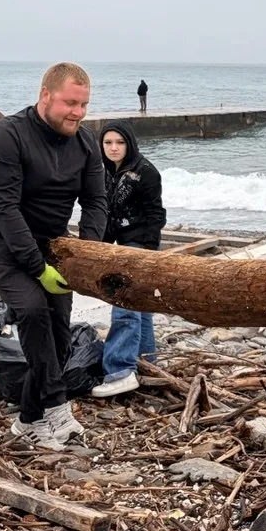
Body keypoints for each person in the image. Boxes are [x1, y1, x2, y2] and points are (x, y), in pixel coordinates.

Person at [0, 63, 107, 451]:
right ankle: (56, 409)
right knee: (33, 311)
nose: (78, 113)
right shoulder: (5, 137)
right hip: (0, 241)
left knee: (60, 336)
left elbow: (96, 201)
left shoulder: (85, 143)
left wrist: (86, 254)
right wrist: (37, 267)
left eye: (84, 105)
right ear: (45, 94)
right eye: (70, 103)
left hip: (54, 243)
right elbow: (3, 208)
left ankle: (27, 421)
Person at [89, 121, 166, 398]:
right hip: (115, 241)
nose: (113, 148)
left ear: (129, 144)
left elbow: (156, 214)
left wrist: (145, 251)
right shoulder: (101, 170)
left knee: (124, 301)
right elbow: (102, 210)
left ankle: (120, 369)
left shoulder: (146, 172)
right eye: (107, 142)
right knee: (140, 305)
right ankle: (146, 361)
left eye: (119, 143)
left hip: (140, 243)